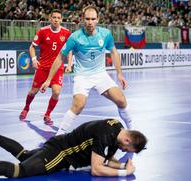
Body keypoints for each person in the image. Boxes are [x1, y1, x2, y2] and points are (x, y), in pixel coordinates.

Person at [0, 119, 147, 180]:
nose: (123, 150)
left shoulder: (116, 129)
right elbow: (97, 168)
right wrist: (124, 172)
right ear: (128, 139)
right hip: (60, 154)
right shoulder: (106, 135)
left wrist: (121, 164)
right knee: (19, 171)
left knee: (24, 155)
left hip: (57, 144)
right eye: (127, 148)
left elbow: (105, 159)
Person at [40, 5, 132, 135]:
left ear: (98, 19)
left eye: (93, 19)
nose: (90, 22)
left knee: (121, 100)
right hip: (82, 76)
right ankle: (59, 136)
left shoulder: (106, 34)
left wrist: (120, 74)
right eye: (87, 19)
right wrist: (48, 79)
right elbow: (60, 57)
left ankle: (131, 131)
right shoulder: (75, 37)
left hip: (100, 74)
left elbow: (114, 52)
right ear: (83, 19)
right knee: (79, 105)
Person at [19, 9, 72, 125]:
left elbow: (69, 50)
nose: (56, 20)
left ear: (61, 20)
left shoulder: (66, 33)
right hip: (43, 67)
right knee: (33, 91)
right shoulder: (42, 31)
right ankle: (26, 108)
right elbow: (32, 47)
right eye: (54, 17)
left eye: (58, 18)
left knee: (56, 92)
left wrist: (69, 63)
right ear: (50, 18)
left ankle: (47, 114)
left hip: (58, 68)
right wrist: (34, 59)